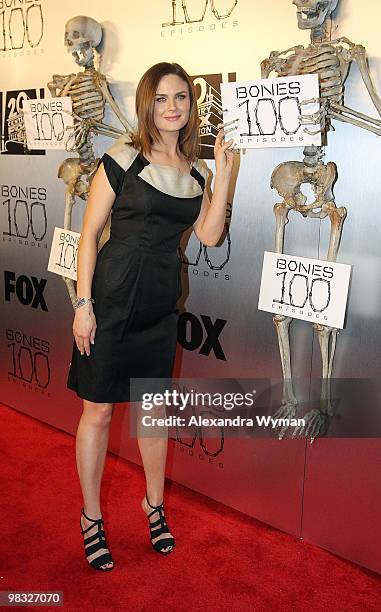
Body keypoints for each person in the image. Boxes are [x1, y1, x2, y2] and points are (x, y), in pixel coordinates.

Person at [66, 61, 234, 571]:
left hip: (161, 304)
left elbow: (208, 235)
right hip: (112, 300)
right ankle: (91, 517)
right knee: (98, 410)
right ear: (147, 104)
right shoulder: (122, 158)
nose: (172, 107)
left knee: (153, 413)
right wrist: (83, 304)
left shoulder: (197, 170)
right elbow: (89, 235)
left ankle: (153, 505)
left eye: (181, 97)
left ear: (191, 103)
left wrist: (224, 175)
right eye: (161, 99)